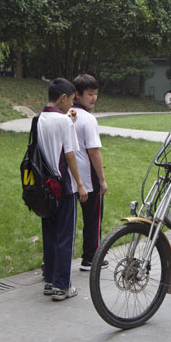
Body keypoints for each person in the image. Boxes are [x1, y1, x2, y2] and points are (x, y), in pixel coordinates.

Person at [38, 78, 88, 301]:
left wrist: (70, 118)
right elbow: (69, 155)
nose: (72, 106)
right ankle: (62, 286)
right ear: (63, 98)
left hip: (44, 186)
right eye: (71, 101)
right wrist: (80, 183)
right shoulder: (65, 122)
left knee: (49, 233)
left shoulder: (39, 119)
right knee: (65, 235)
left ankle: (50, 280)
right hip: (64, 186)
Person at [70, 74, 108, 272]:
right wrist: (102, 180)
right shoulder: (88, 119)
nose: (93, 98)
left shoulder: (63, 115)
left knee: (66, 221)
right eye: (89, 94)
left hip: (66, 177)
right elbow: (94, 151)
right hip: (88, 177)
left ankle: (55, 261)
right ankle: (91, 257)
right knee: (93, 217)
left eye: (95, 94)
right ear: (77, 94)